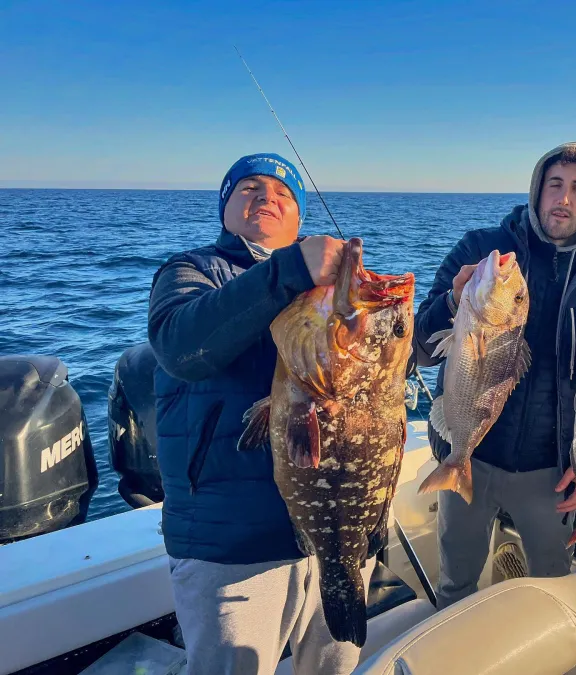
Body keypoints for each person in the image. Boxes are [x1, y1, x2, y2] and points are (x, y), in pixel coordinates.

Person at [147, 153, 375, 675]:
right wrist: (290, 269)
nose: (267, 197)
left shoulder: (333, 287)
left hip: (342, 528)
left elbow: (383, 370)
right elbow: (180, 346)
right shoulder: (191, 272)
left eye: (283, 193)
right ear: (225, 207)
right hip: (234, 543)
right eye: (249, 188)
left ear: (299, 217)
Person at [414, 142, 576, 608]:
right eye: (554, 184)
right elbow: (421, 350)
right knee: (455, 585)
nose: (563, 199)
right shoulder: (480, 250)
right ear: (536, 190)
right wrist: (453, 302)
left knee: (554, 589)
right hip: (469, 453)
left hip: (550, 471)